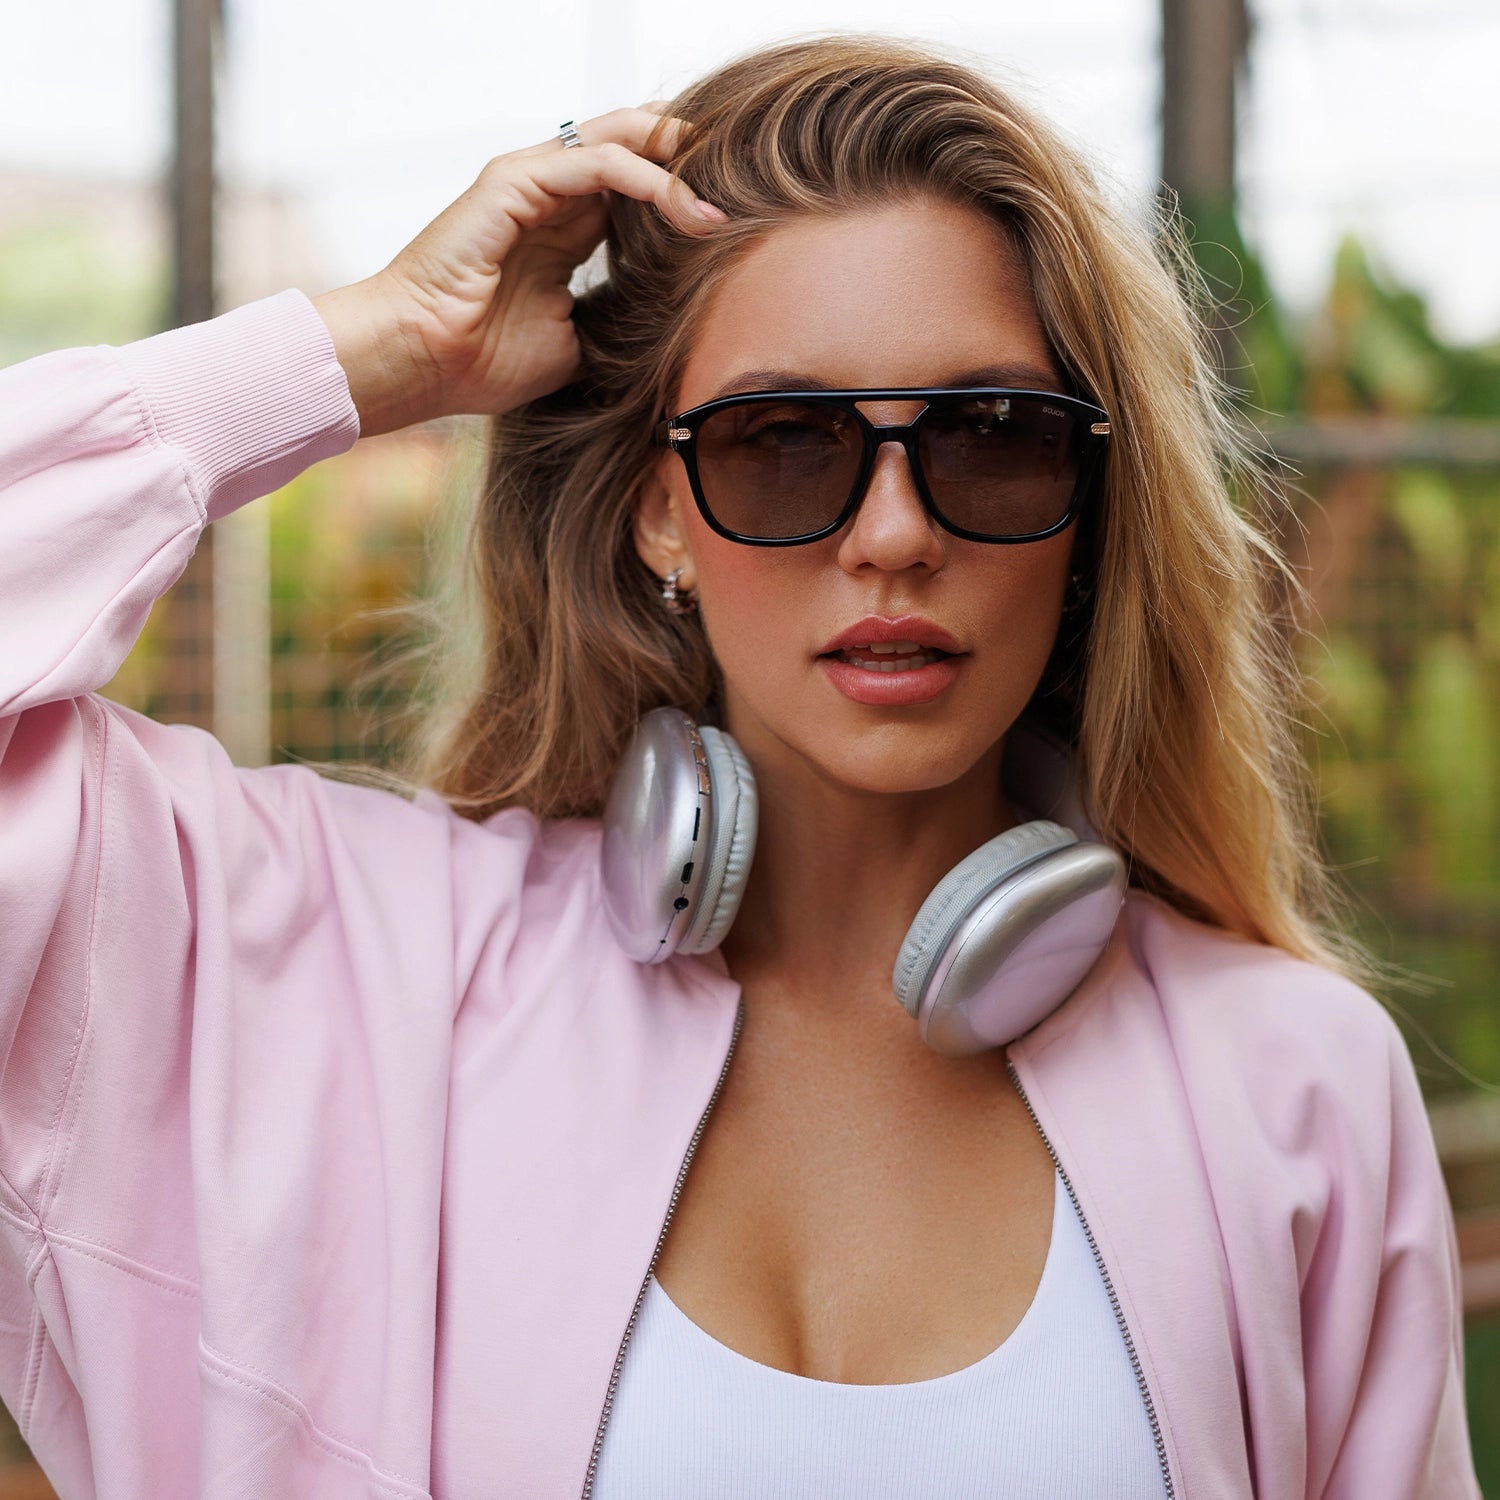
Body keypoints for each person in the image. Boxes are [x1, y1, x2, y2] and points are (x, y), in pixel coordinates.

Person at [0, 33, 1478, 1500]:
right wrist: (375, 348)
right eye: (782, 441)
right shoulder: (352, 980)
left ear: (1091, 503)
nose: (895, 534)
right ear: (660, 511)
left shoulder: (1292, 1085)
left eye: (991, 438)